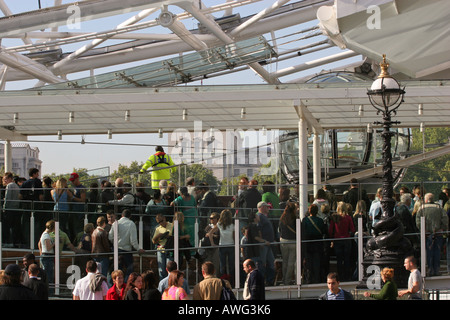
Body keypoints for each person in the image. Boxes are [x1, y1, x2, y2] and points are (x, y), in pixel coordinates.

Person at [415, 193, 448, 276]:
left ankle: (430, 270)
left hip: (426, 234)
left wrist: (423, 229)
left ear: (426, 200)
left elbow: (418, 221)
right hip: (438, 233)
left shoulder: (421, 208)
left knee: (428, 252)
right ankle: (436, 270)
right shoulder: (439, 207)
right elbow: (445, 219)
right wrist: (442, 228)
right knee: (437, 252)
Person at [108, 209, 145, 280]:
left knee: (116, 271)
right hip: (127, 251)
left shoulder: (115, 223)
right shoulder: (131, 224)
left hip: (117, 250)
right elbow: (133, 240)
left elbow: (110, 237)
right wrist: (138, 249)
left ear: (122, 215)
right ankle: (127, 287)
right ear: (130, 216)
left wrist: (115, 243)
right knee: (129, 272)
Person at [328, 202, 355, 281]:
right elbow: (353, 229)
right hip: (346, 240)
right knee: (347, 259)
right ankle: (347, 276)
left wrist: (331, 238)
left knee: (339, 260)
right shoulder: (348, 218)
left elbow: (330, 230)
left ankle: (339, 277)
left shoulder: (335, 217)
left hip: (337, 240)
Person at [19, 168, 44, 247]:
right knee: (36, 225)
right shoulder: (38, 182)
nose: (38, 175)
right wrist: (41, 203)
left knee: (26, 225)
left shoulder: (25, 183)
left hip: (26, 206)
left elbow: (20, 196)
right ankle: (35, 242)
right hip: (36, 206)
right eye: (37, 173)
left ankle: (27, 242)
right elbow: (40, 196)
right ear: (34, 174)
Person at [302, 204, 326, 284]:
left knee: (308, 262)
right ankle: (317, 279)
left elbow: (303, 231)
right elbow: (324, 231)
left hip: (308, 243)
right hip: (318, 243)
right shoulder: (320, 220)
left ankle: (309, 279)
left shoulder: (305, 220)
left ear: (309, 211)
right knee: (316, 262)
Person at [256, 201, 275, 285]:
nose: (268, 208)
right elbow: (259, 230)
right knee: (263, 263)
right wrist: (262, 242)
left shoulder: (263, 217)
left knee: (270, 261)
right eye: (266, 207)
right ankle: (263, 281)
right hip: (264, 244)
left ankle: (269, 280)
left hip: (267, 243)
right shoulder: (260, 217)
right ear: (262, 207)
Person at [278, 202, 298, 285]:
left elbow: (279, 229)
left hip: (283, 241)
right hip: (293, 242)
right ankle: (287, 280)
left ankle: (284, 279)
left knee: (285, 261)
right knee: (291, 262)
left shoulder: (282, 218)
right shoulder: (296, 219)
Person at [214, 209, 235, 282]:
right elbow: (234, 236)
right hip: (231, 245)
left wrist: (213, 243)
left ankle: (223, 279)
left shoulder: (219, 224)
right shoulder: (232, 225)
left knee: (222, 264)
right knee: (231, 264)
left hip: (222, 245)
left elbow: (210, 233)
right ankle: (232, 280)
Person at [2, 172, 21, 247]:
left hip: (9, 209)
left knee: (7, 226)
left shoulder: (9, 186)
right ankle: (15, 243)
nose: (4, 181)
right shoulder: (16, 186)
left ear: (10, 178)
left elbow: (7, 198)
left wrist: (4, 208)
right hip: (16, 208)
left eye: (5, 179)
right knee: (14, 227)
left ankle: (8, 242)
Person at [152, 213, 174, 280]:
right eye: (159, 222)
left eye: (162, 221)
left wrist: (167, 236)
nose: (161, 223)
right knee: (161, 270)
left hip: (169, 248)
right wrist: (158, 236)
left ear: (164, 218)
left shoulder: (172, 225)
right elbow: (153, 241)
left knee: (170, 269)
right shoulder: (158, 229)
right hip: (161, 249)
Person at [69, 172, 87, 242]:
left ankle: (79, 243)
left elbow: (83, 200)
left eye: (73, 180)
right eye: (71, 181)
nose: (72, 182)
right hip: (74, 211)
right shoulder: (74, 188)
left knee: (78, 229)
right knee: (73, 228)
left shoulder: (82, 188)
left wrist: (72, 197)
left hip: (79, 212)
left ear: (77, 179)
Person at [39, 220, 56, 285]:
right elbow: (48, 248)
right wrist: (54, 243)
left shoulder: (44, 234)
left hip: (46, 256)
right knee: (48, 276)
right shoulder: (46, 235)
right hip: (47, 256)